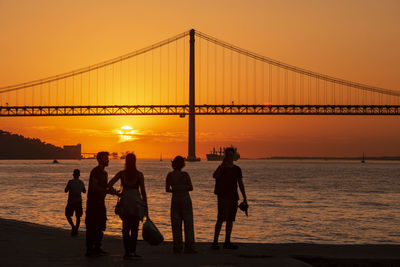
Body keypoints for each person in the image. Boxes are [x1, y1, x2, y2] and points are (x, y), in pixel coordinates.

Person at [108, 153, 147, 260]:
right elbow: (143, 191)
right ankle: (132, 251)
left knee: (125, 228)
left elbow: (109, 184)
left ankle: (127, 252)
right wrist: (146, 205)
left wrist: (117, 193)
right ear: (135, 161)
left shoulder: (121, 174)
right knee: (134, 229)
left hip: (125, 203)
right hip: (136, 204)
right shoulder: (139, 174)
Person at [211, 147, 247, 250]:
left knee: (230, 220)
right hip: (223, 197)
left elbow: (240, 183)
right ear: (225, 156)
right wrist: (222, 165)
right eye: (228, 155)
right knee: (220, 219)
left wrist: (245, 197)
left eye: (231, 155)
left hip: (233, 197)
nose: (230, 157)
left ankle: (227, 242)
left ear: (234, 156)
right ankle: (215, 242)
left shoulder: (237, 169)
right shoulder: (222, 168)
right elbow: (215, 176)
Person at [85, 151, 115, 257]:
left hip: (101, 203)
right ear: (99, 160)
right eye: (105, 158)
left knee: (101, 225)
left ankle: (97, 247)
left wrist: (114, 192)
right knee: (91, 226)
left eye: (107, 158)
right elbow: (94, 187)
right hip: (93, 203)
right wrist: (107, 191)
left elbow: (104, 186)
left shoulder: (105, 173)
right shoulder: (95, 171)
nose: (108, 160)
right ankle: (89, 249)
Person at [165, 156, 196, 254]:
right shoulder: (185, 175)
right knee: (188, 224)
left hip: (175, 200)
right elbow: (191, 188)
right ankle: (189, 247)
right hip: (185, 199)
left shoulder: (170, 175)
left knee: (176, 224)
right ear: (182, 164)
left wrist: (175, 189)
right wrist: (183, 188)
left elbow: (167, 189)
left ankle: (177, 247)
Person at [64, 169, 86, 236]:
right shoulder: (81, 182)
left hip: (71, 201)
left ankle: (73, 227)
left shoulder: (70, 182)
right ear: (79, 175)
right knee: (78, 217)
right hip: (78, 201)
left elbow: (65, 190)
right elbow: (84, 191)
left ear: (73, 175)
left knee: (68, 215)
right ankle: (76, 229)